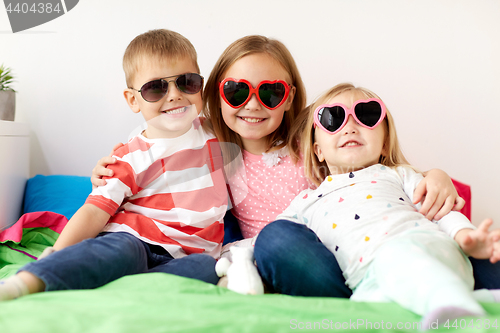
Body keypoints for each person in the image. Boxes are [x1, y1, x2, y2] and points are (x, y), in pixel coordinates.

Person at [90, 35, 467, 287]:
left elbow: (377, 166)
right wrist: (108, 171)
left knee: (463, 242)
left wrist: (436, 174)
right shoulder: (208, 141)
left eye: (270, 93)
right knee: (276, 240)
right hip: (287, 257)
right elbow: (149, 149)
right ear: (214, 94)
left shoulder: (311, 137)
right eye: (236, 92)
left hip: (353, 240)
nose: (252, 105)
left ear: (289, 97)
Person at [0, 29, 227, 301]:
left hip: (191, 254)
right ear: (133, 100)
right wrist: (57, 253)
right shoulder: (129, 156)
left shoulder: (217, 133)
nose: (175, 95)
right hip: (133, 239)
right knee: (120, 251)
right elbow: (94, 212)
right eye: (155, 88)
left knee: (206, 268)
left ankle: (132, 291)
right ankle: (30, 280)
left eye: (187, 82)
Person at [274, 82, 500, 326]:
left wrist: (465, 236)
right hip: (366, 280)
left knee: (394, 256)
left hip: (426, 250)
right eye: (333, 119)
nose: (350, 127)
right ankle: (480, 300)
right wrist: (233, 263)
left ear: (383, 143)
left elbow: (439, 207)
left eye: (366, 115)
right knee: (367, 310)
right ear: (318, 150)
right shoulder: (305, 202)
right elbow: (267, 240)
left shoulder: (397, 174)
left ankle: (459, 309)